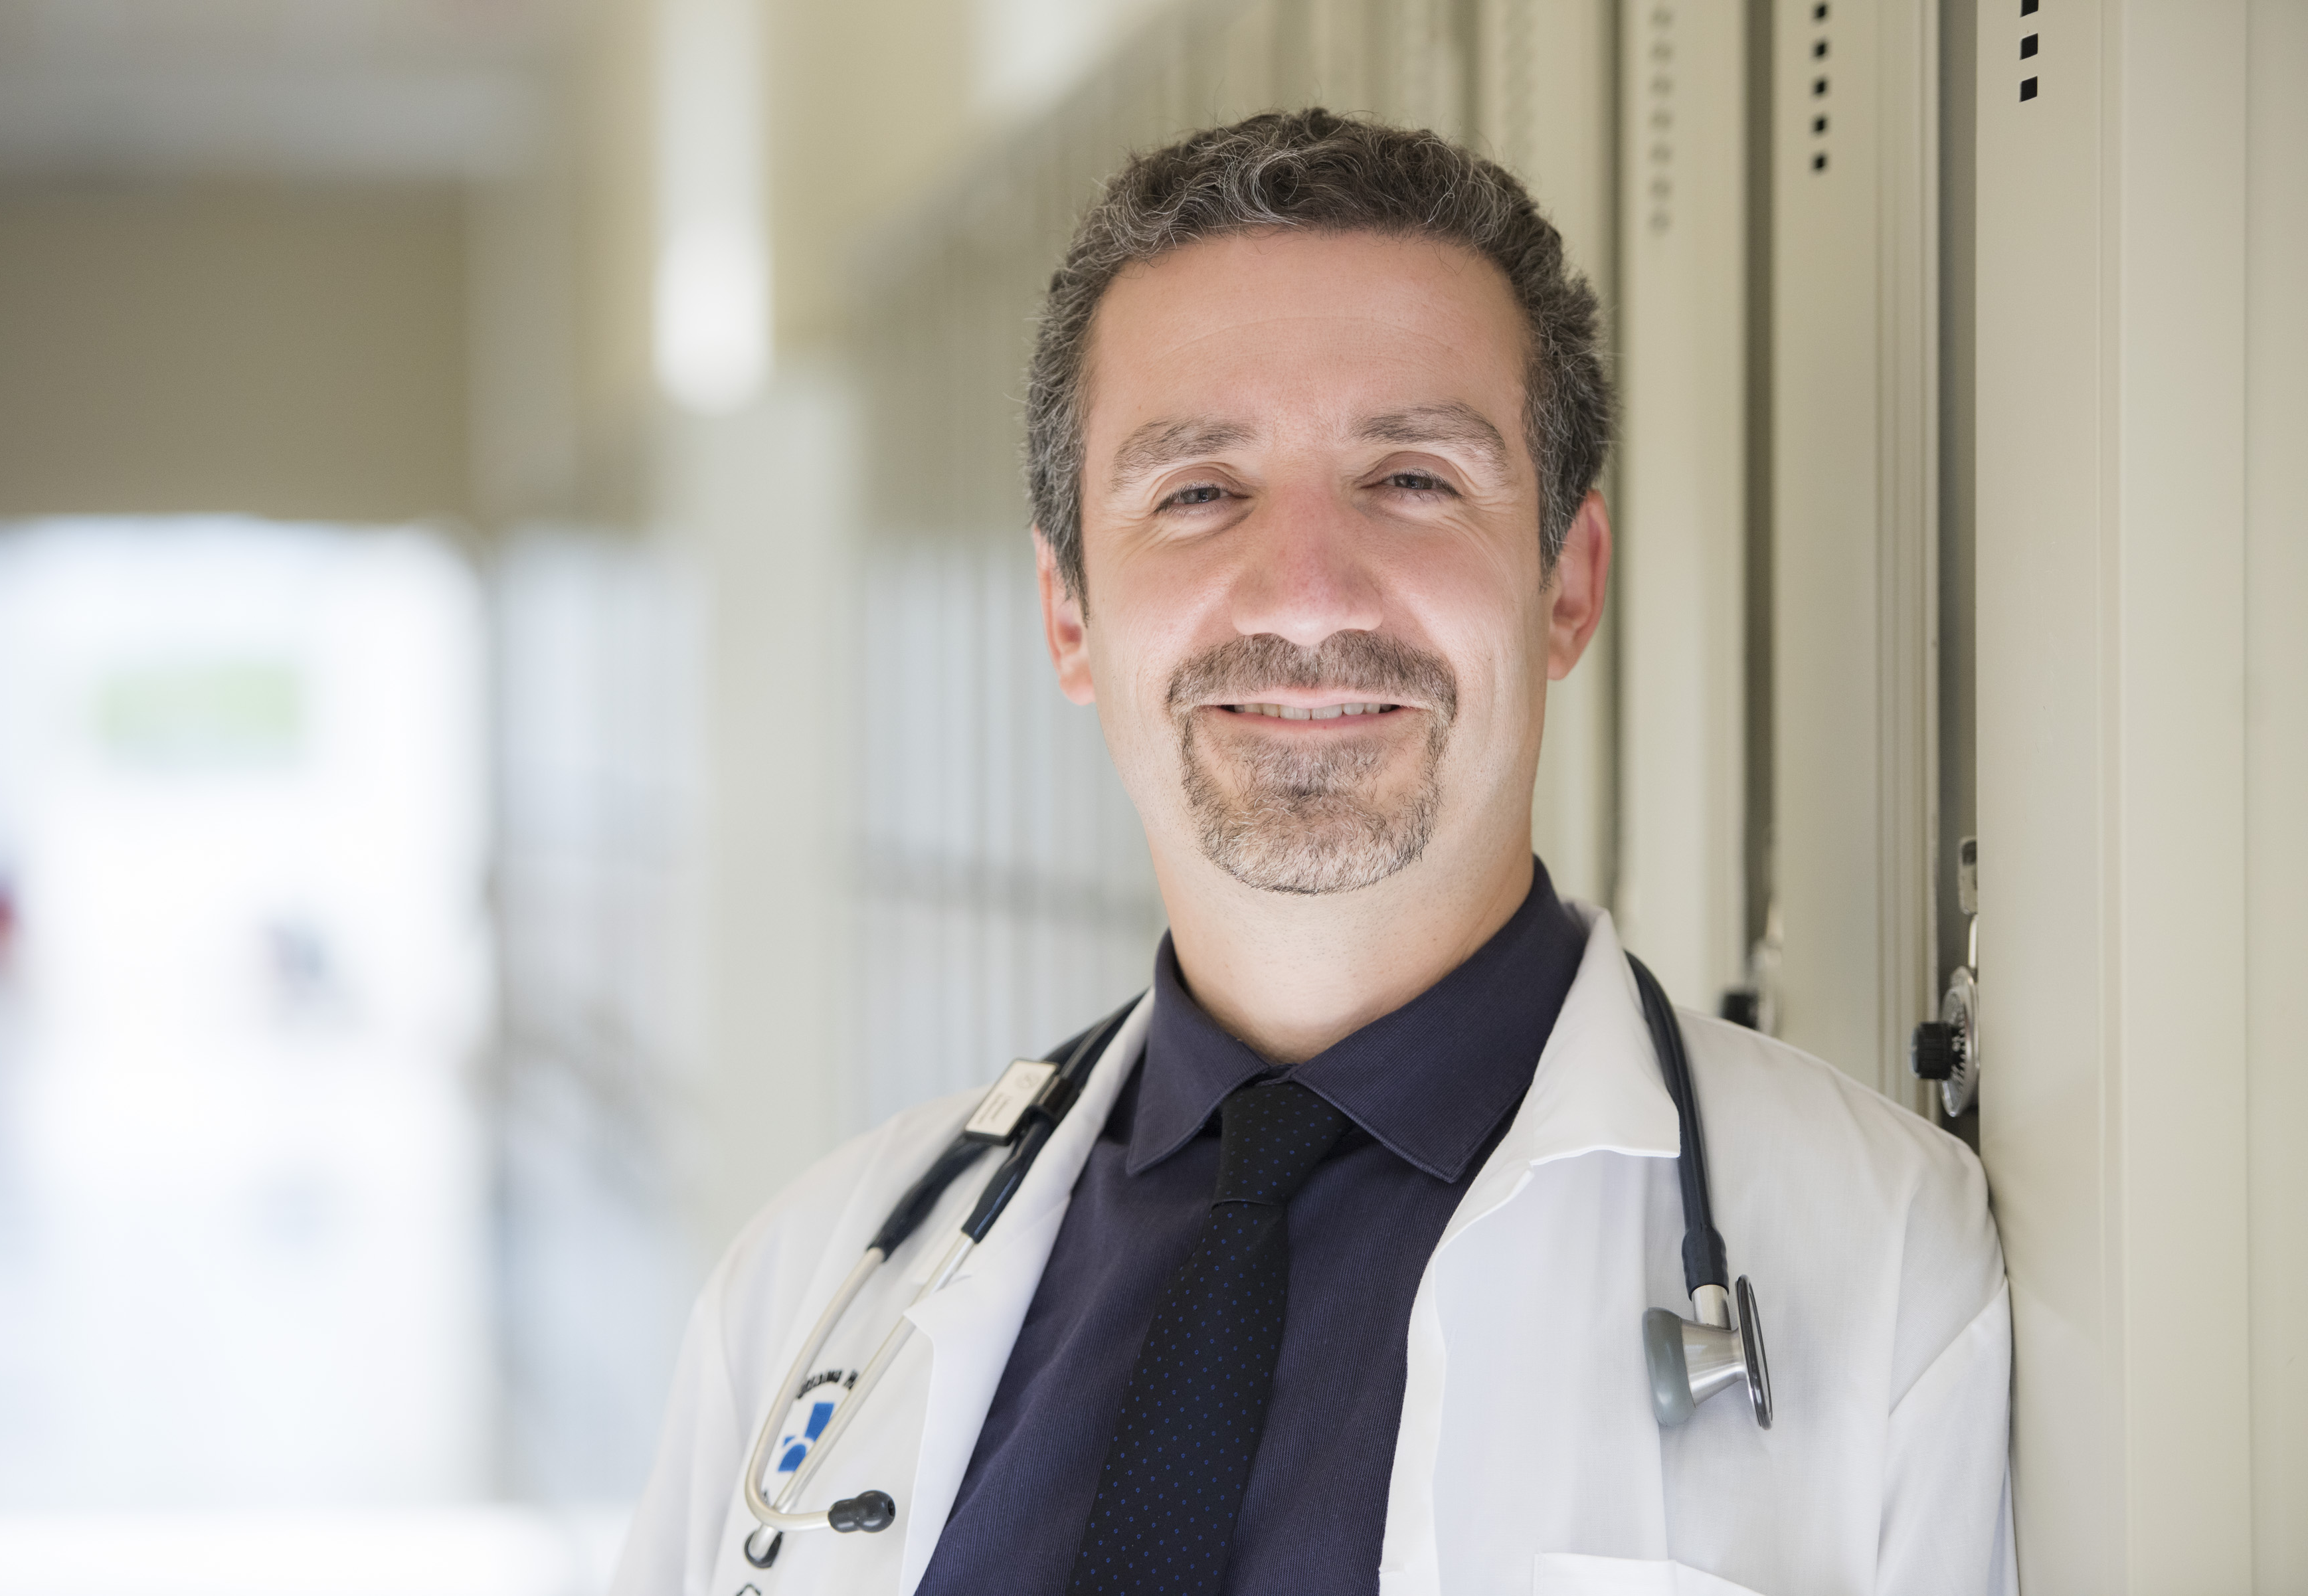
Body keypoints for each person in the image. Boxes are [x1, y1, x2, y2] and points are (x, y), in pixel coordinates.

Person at [612, 110, 2012, 1596]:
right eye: (1198, 490)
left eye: (1412, 477)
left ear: (1566, 586)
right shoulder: (811, 1283)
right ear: (1070, 615)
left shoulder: (1886, 1268)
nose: (1301, 593)